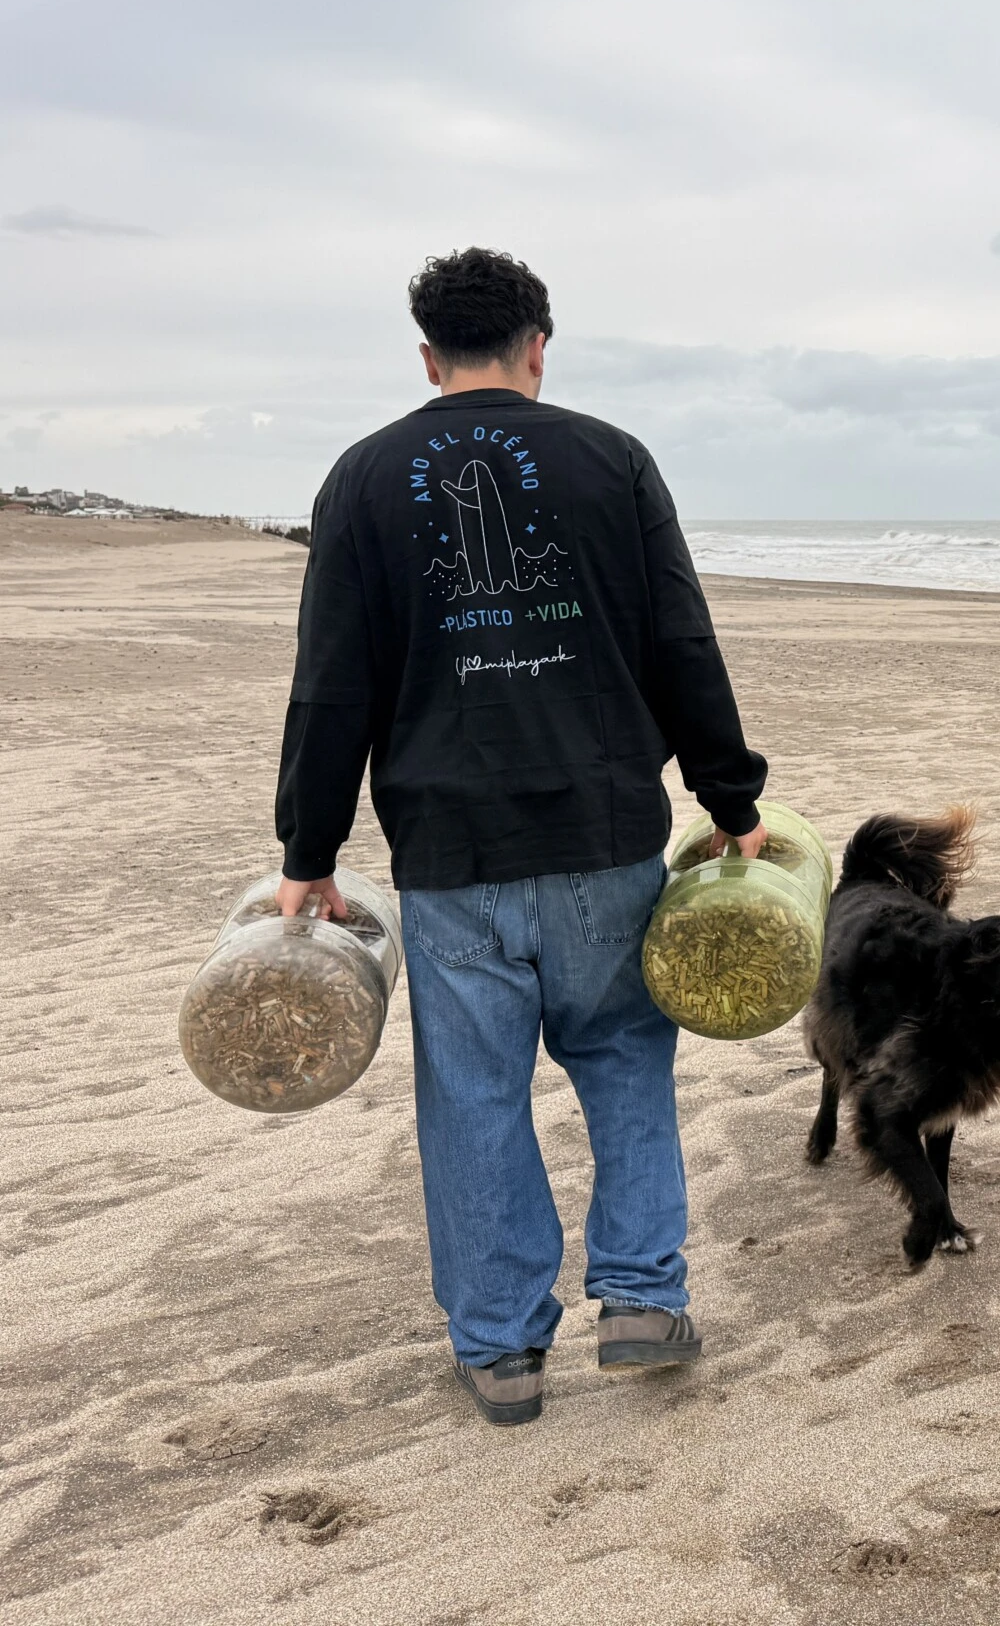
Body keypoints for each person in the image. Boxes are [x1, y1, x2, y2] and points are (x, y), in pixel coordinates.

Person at [273, 247, 770, 1426]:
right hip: (604, 836)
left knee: (475, 1095)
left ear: (428, 354)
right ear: (539, 345)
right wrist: (732, 801)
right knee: (622, 1062)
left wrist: (309, 852)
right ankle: (643, 1300)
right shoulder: (613, 459)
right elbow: (681, 644)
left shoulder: (361, 478)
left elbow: (331, 684)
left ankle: (501, 1350)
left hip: (451, 852)